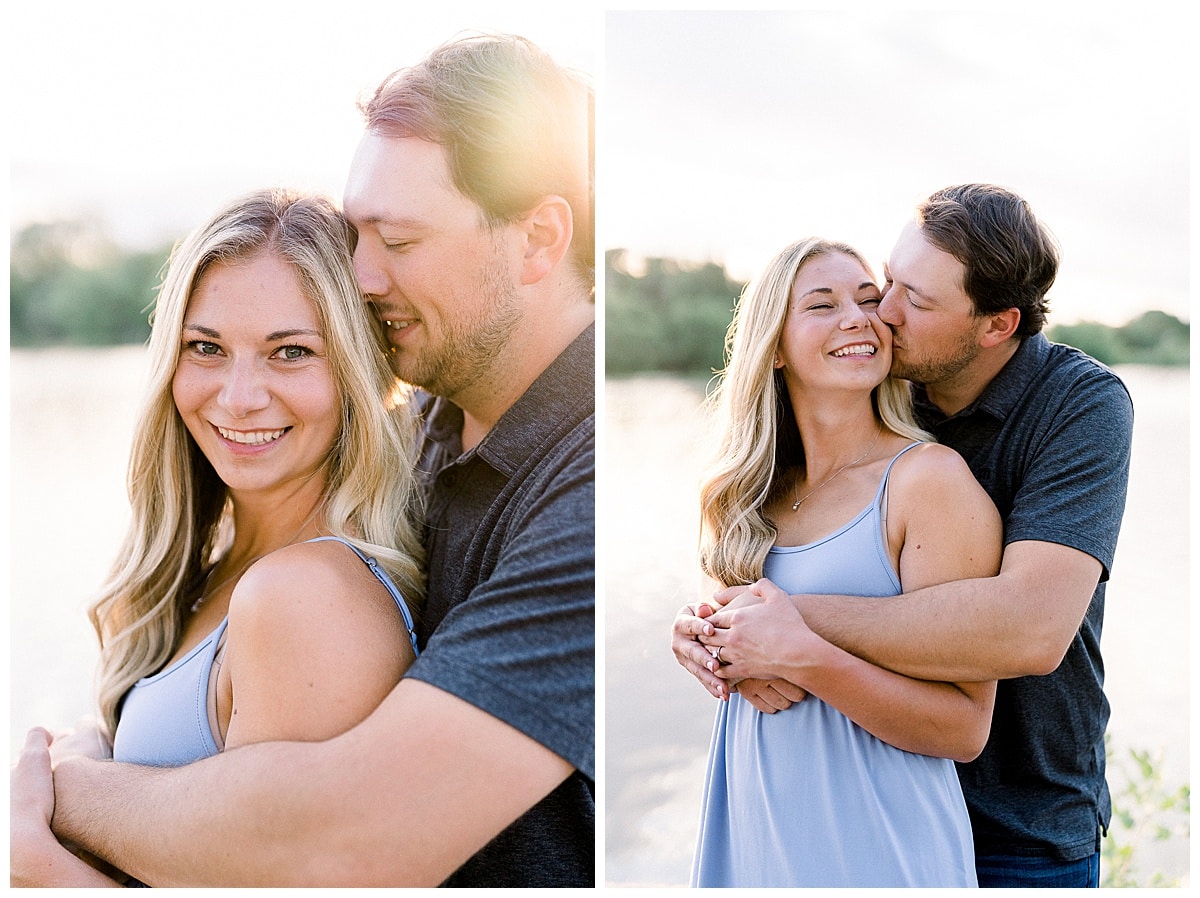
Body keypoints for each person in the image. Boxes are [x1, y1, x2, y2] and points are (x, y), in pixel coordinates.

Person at [16, 33, 595, 888]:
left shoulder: (584, 497)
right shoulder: (431, 422)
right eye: (204, 346)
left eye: (396, 241)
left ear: (539, 238)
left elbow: (342, 846)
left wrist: (49, 814)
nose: (361, 278)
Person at [675, 183, 1133, 888]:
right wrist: (708, 628)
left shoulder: (1077, 409)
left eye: (911, 301)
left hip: (1019, 819)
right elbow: (762, 570)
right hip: (798, 817)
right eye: (887, 283)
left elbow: (1033, 630)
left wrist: (785, 628)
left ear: (995, 325)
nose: (880, 315)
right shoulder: (875, 380)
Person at [10, 187, 426, 886]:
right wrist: (89, 752)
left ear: (358, 372)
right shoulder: (214, 566)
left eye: (290, 352)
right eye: (205, 347)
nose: (237, 397)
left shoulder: (306, 599)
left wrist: (39, 864)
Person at [686, 237, 1002, 887]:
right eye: (822, 305)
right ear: (773, 346)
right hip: (754, 834)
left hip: (880, 844)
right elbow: (742, 637)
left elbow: (965, 727)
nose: (858, 318)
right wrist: (699, 638)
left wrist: (803, 652)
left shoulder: (927, 482)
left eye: (867, 299)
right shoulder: (740, 497)